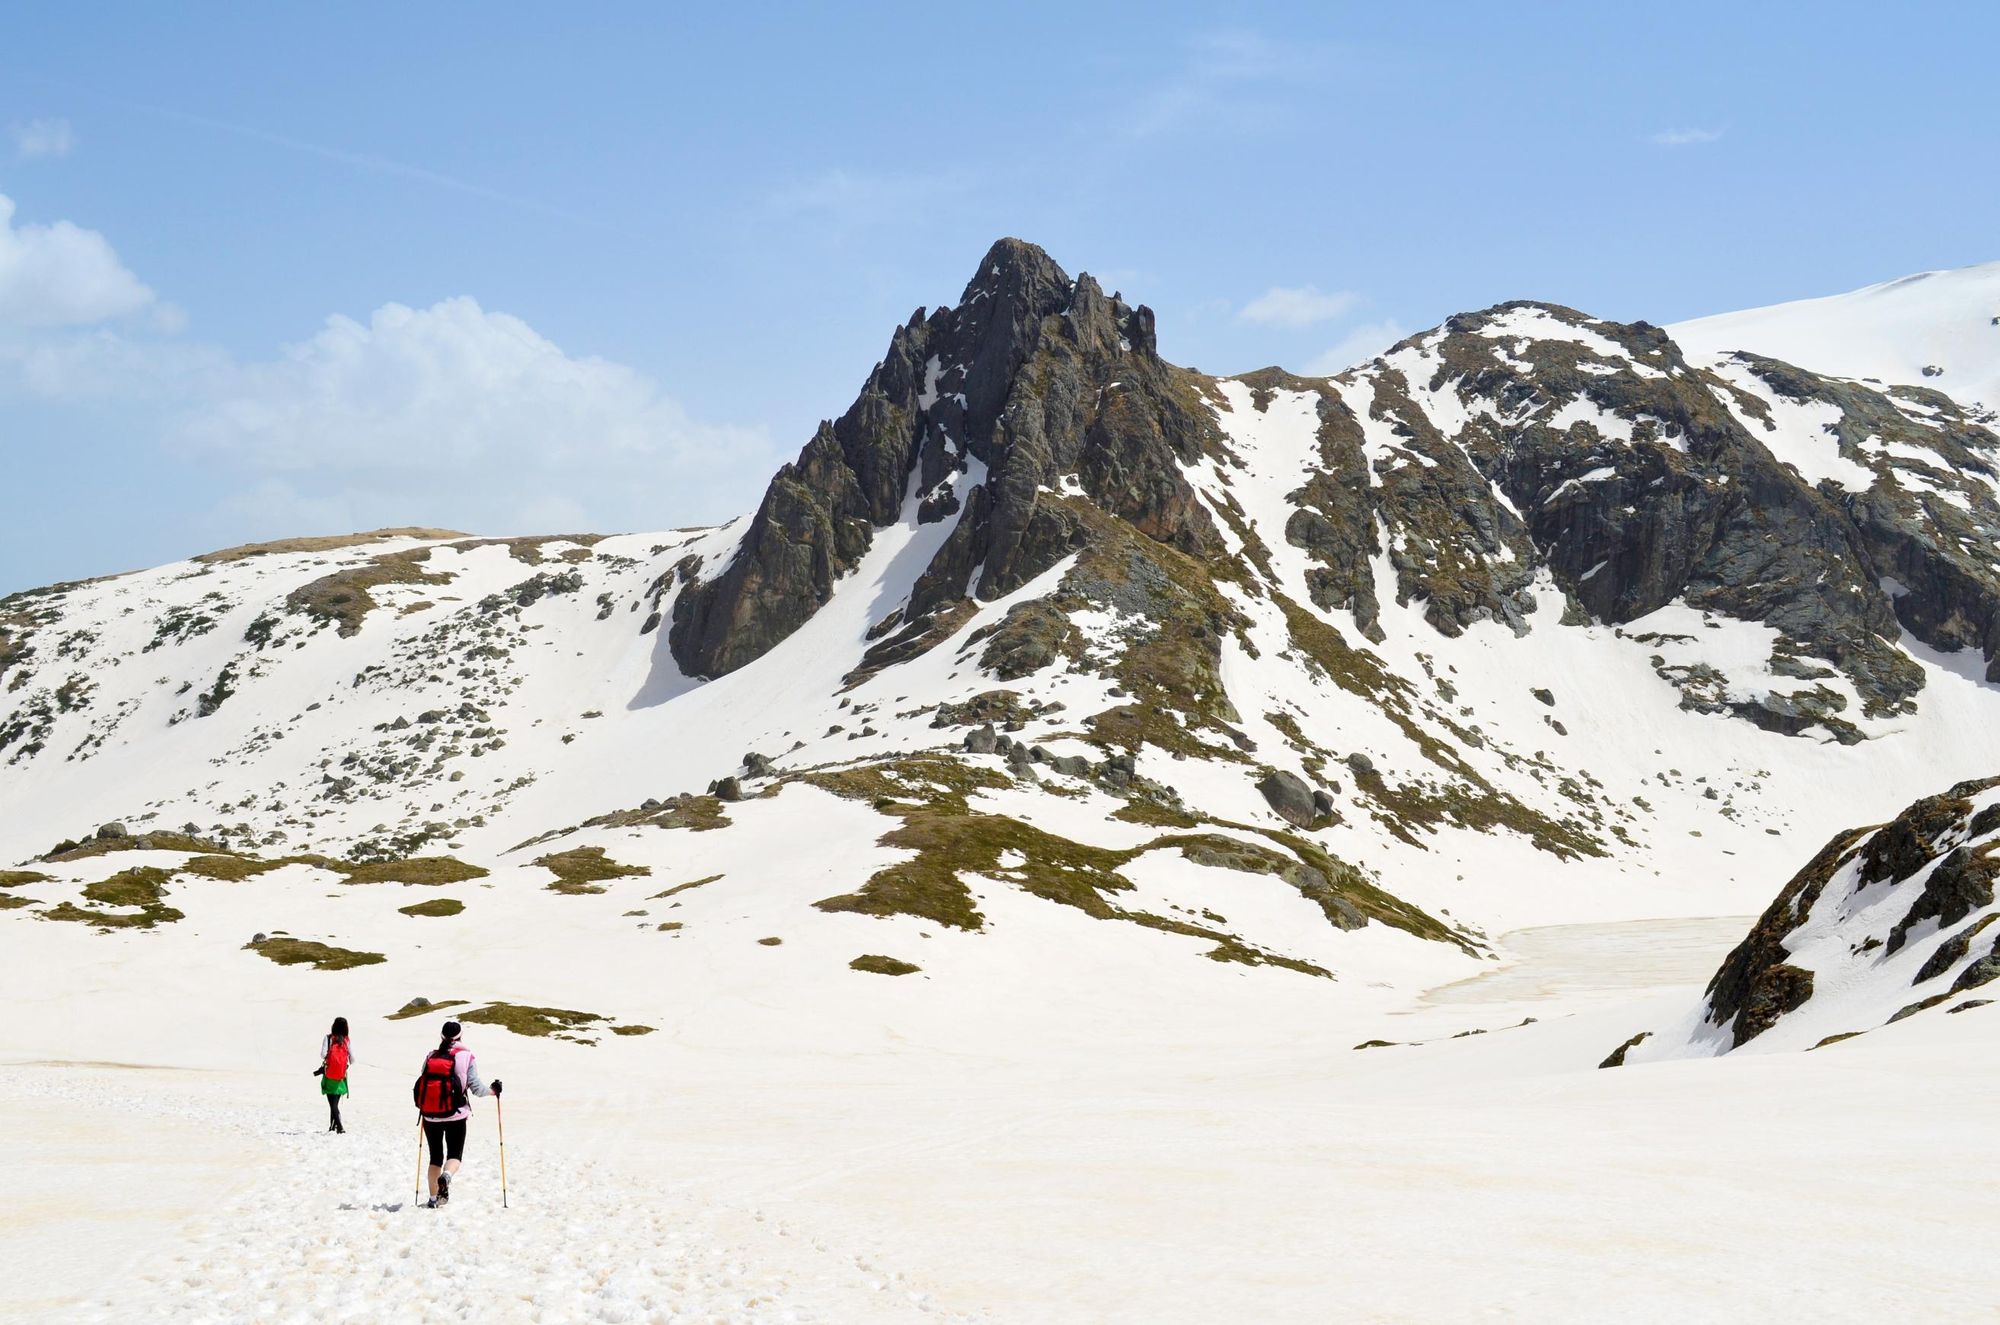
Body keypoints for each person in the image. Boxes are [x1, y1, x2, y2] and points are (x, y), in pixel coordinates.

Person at [412, 1019, 502, 1208]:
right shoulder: (467, 1056)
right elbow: (476, 1088)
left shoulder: (431, 1055)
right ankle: (447, 1176)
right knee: (454, 1154)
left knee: (435, 1157)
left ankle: (434, 1199)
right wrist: (493, 1091)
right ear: (460, 1036)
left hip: (430, 1115)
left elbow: (423, 1080)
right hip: (456, 1114)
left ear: (442, 1036)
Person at [314, 1016, 352, 1133]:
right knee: (335, 1103)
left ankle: (339, 1127)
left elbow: (322, 1054)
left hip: (329, 1073)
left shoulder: (329, 1038)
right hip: (341, 1076)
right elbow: (353, 1058)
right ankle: (332, 1126)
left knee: (333, 1104)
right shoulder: (346, 1040)